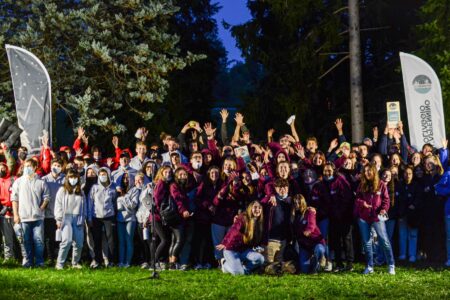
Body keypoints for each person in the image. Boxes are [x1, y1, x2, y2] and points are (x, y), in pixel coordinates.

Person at [354, 163, 395, 275]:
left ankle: (391, 265)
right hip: (364, 217)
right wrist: (363, 203)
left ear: (374, 171)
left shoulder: (381, 184)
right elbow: (357, 199)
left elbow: (386, 200)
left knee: (384, 241)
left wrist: (383, 210)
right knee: (367, 243)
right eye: (365, 171)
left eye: (369, 171)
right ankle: (369, 266)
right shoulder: (361, 185)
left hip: (377, 217)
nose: (367, 173)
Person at [11, 158, 50, 267]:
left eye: (30, 166)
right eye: (26, 166)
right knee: (25, 240)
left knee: (39, 241)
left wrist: (41, 208)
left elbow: (46, 197)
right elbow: (14, 199)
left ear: (35, 167)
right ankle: (27, 261)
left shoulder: (41, 182)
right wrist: (16, 215)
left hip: (38, 218)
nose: (27, 168)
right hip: (23, 217)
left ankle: (39, 262)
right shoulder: (18, 182)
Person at [216, 201, 265, 275]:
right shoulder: (243, 218)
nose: (257, 209)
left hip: (244, 250)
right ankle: (225, 265)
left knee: (260, 259)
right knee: (238, 274)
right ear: (250, 208)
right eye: (255, 207)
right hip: (231, 250)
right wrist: (225, 242)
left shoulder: (259, 222)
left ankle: (244, 270)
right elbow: (233, 230)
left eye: (259, 208)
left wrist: (259, 247)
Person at [54, 169, 86, 269]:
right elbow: (58, 205)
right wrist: (59, 219)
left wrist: (84, 218)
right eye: (71, 177)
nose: (73, 179)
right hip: (65, 218)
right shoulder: (62, 190)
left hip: (78, 218)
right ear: (67, 178)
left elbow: (84, 206)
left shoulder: (80, 191)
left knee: (79, 243)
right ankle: (60, 264)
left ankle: (75, 263)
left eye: (75, 177)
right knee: (66, 241)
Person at [88, 167, 117, 268]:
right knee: (97, 239)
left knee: (110, 239)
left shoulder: (113, 188)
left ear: (108, 175)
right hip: (96, 216)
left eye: (104, 175)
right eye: (101, 175)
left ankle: (111, 260)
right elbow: (90, 202)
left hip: (109, 216)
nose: (102, 177)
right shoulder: (94, 187)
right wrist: (90, 217)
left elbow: (114, 201)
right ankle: (97, 261)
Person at [292, 194, 326, 274]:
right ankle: (311, 261)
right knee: (304, 270)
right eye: (295, 203)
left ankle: (318, 263)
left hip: (315, 242)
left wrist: (309, 230)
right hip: (304, 245)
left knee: (320, 249)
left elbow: (312, 224)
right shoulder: (294, 215)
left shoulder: (309, 211)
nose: (297, 205)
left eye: (299, 203)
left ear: (303, 203)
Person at [42, 158, 66, 264]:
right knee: (49, 237)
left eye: (58, 165)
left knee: (62, 238)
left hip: (62, 214)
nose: (56, 167)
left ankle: (61, 258)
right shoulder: (44, 179)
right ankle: (51, 258)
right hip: (49, 214)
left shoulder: (65, 180)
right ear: (51, 165)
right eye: (54, 165)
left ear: (61, 168)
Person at [116, 172, 142, 267]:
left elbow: (133, 205)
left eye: (127, 178)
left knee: (128, 239)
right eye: (124, 178)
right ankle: (121, 261)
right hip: (120, 218)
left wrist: (124, 197)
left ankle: (128, 262)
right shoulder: (119, 190)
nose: (126, 180)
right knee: (121, 241)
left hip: (130, 218)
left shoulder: (134, 190)